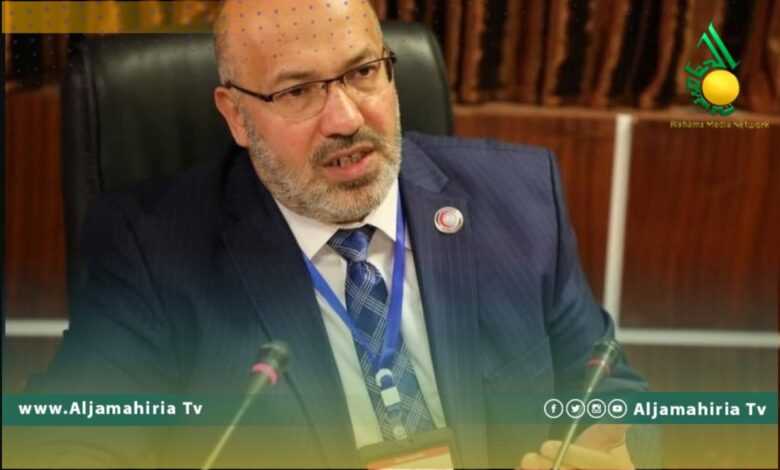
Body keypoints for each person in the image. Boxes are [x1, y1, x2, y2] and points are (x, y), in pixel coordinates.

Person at [26, 0, 650, 468]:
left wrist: (616, 456)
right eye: (298, 90)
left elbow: (610, 392)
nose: (346, 119)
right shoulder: (150, 248)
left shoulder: (518, 198)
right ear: (236, 116)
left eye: (362, 72)